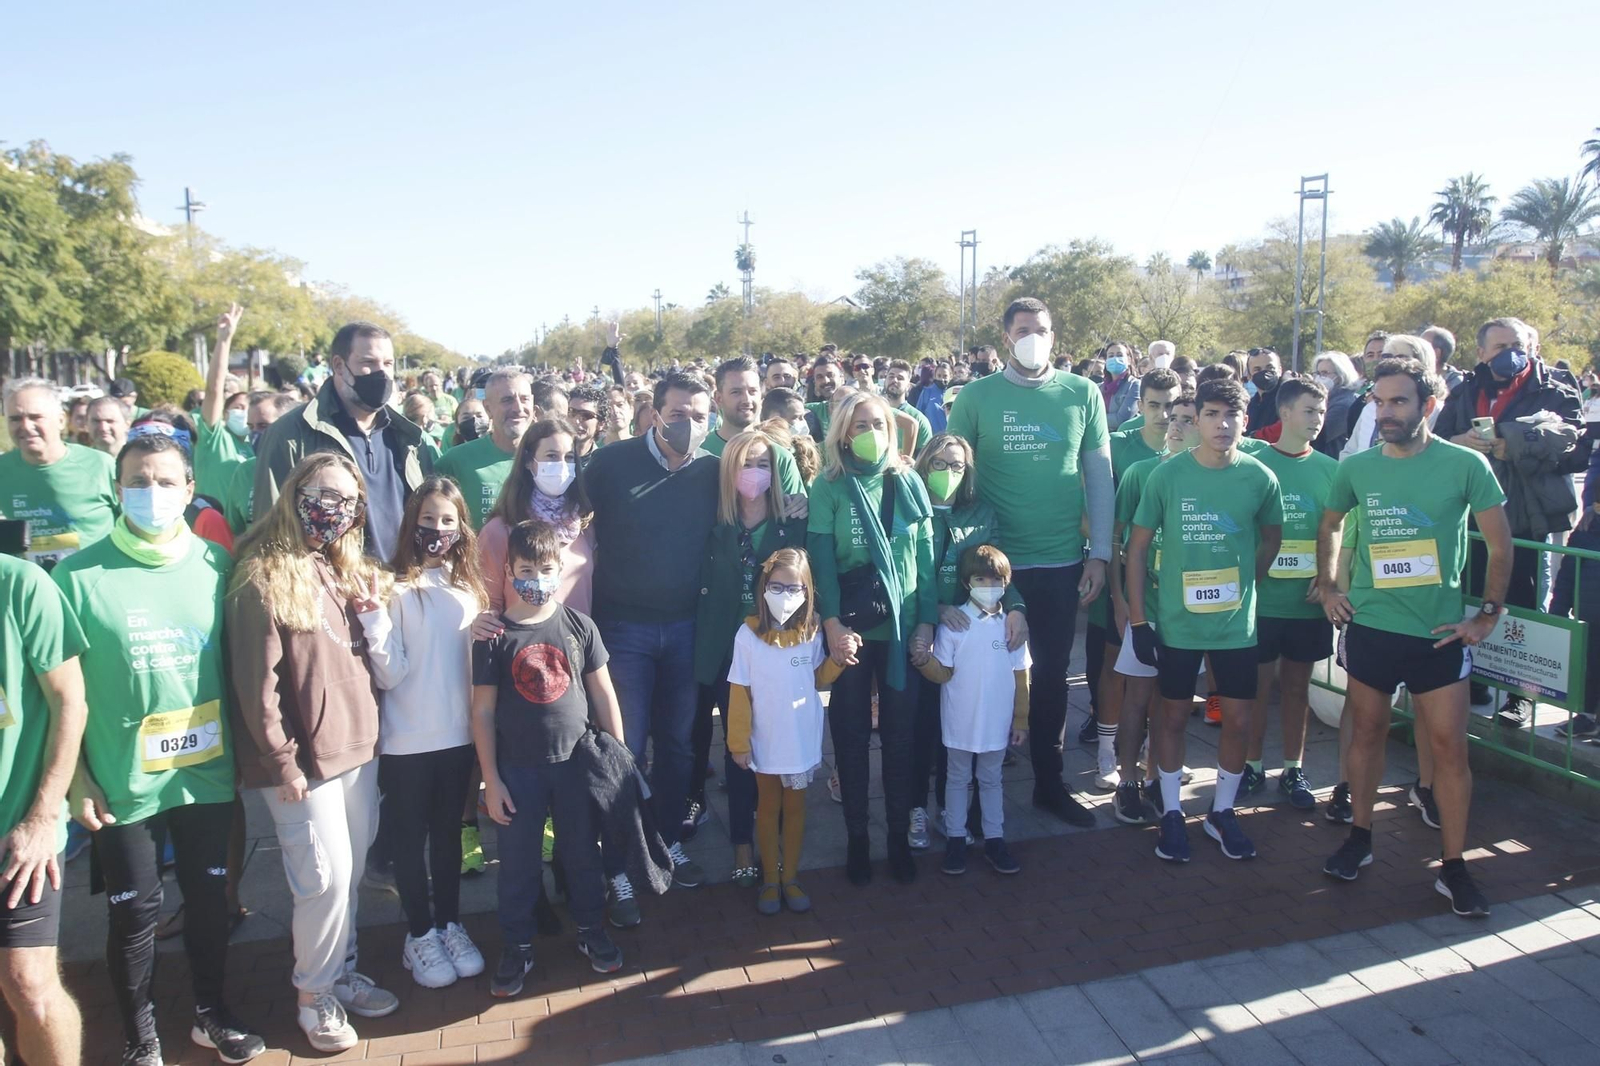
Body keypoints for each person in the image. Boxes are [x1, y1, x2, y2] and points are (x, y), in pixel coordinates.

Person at [56, 434, 265, 1065]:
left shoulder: (216, 565)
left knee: (209, 901)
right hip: (123, 781)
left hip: (204, 773)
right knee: (135, 915)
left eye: (166, 481)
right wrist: (76, 779)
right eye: (138, 482)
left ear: (189, 489)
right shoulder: (77, 574)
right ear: (117, 489)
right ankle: (139, 1035)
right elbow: (56, 693)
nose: (152, 494)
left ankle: (211, 1013)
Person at [1316, 358, 1510, 918]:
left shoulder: (1466, 465)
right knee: (1368, 734)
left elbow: (1500, 545)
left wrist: (1486, 616)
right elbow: (1329, 525)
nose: (1385, 413)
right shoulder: (1358, 468)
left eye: (1398, 402)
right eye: (1378, 402)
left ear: (1428, 405)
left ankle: (1454, 866)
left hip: (1439, 636)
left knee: (1449, 749)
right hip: (1373, 628)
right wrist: (1329, 587)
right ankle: (1360, 835)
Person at [227, 453, 399, 1052]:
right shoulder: (261, 573)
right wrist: (280, 760)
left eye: (349, 501)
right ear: (295, 494)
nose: (337, 511)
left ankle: (341, 971)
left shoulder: (338, 567)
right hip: (305, 764)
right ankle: (313, 995)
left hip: (357, 747)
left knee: (348, 877)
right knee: (321, 882)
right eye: (325, 496)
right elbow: (258, 684)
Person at [946, 297, 1111, 827]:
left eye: (1040, 329)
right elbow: (953, 482)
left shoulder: (1082, 394)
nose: (1032, 338)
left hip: (1061, 560)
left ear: (1054, 336)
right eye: (1022, 330)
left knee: (1052, 675)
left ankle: (1048, 781)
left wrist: (1101, 554)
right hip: (989, 567)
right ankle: (968, 789)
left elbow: (1099, 478)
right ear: (1005, 338)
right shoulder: (975, 397)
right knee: (980, 674)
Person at [1125, 377, 1283, 864]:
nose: (1222, 424)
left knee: (1237, 719)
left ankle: (1222, 812)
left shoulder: (1260, 477)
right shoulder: (1167, 477)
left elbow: (1271, 539)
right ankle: (1171, 812)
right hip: (1176, 624)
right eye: (1210, 415)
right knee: (1170, 716)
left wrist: (1246, 587)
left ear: (1246, 422)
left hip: (1236, 627)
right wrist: (1137, 622)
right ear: (1197, 422)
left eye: (1231, 415)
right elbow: (1135, 550)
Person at [580, 372, 718, 913]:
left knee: (680, 745)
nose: (688, 425)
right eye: (678, 413)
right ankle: (617, 864)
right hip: (624, 630)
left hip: (687, 625)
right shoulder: (612, 464)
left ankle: (666, 844)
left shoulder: (714, 469)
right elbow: (569, 520)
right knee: (624, 748)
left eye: (699, 416)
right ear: (655, 413)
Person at [473, 521, 626, 993]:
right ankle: (517, 946)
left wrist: (617, 759)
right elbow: (482, 710)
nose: (535, 578)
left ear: (560, 569)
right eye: (525, 569)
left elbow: (603, 694)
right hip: (518, 771)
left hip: (576, 767)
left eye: (544, 569)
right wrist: (491, 780)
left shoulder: (580, 626)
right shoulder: (494, 636)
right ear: (508, 571)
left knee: (581, 854)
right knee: (518, 864)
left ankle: (590, 930)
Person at [356, 478, 487, 989]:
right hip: (406, 742)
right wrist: (372, 621)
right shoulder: (393, 588)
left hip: (458, 737)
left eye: (447, 521)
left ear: (460, 528)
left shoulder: (469, 589)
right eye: (428, 520)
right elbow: (389, 673)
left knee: (448, 837)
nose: (437, 530)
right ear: (413, 523)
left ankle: (450, 923)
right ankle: (419, 934)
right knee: (409, 842)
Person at [808, 390, 936, 885]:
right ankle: (859, 837)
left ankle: (899, 838)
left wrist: (925, 621)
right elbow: (822, 561)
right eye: (859, 426)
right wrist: (833, 624)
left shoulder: (907, 483)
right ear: (842, 433)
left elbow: (923, 559)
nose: (870, 434)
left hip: (902, 629)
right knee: (851, 735)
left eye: (878, 424)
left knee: (902, 737)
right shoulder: (830, 486)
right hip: (851, 633)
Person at [1434, 318, 1581, 727]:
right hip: (1471, 513)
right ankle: (1477, 675)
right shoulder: (1467, 390)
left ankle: (1523, 695)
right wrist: (1461, 442)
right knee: (1472, 593)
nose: (1509, 354)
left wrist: (1511, 441)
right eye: (1499, 347)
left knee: (1524, 603)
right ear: (1481, 353)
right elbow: (1439, 437)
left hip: (1526, 515)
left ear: (1533, 348)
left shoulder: (1555, 388)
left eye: (1517, 344)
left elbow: (1573, 440)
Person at [692, 430, 807, 885]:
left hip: (777, 654)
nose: (752, 473)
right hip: (726, 653)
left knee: (777, 749)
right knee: (740, 750)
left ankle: (778, 843)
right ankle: (743, 844)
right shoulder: (711, 522)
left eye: (762, 463)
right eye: (743, 463)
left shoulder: (793, 521)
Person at [908, 433, 1027, 850]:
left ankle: (953, 814)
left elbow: (999, 568)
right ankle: (916, 809)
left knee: (955, 731)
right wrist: (935, 610)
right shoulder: (908, 505)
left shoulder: (979, 513)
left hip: (967, 634)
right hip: (922, 630)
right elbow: (908, 575)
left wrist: (1016, 607)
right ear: (924, 464)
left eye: (957, 465)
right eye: (939, 463)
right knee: (919, 727)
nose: (948, 472)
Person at [0, 554, 89, 1066]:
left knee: (29, 984)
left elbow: (69, 702)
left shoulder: (21, 585)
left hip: (19, 833)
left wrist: (42, 816)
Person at [252, 321, 439, 563]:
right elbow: (269, 530)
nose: (381, 373)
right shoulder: (291, 434)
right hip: (334, 590)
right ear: (339, 366)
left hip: (402, 586)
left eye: (388, 364)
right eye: (368, 363)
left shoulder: (410, 438)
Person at [726, 548, 844, 914]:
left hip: (800, 739)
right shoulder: (746, 636)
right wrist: (738, 742)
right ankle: (770, 881)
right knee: (766, 807)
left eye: (795, 589)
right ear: (763, 588)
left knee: (795, 808)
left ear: (807, 591)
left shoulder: (811, 632)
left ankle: (790, 876)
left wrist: (839, 660)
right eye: (777, 587)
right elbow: (739, 691)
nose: (785, 596)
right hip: (766, 740)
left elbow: (818, 678)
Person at [1107, 393, 1200, 825]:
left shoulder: (1209, 477)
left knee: (1173, 701)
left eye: (1187, 419)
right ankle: (1126, 781)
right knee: (1136, 697)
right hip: (1146, 609)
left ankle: (1157, 777)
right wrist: (1121, 599)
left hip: (1190, 615)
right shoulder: (1141, 472)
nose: (1175, 426)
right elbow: (1116, 541)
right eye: (1173, 417)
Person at [1245, 379, 1338, 810]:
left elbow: (1336, 530)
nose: (1317, 419)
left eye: (1321, 412)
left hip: (1307, 604)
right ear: (1283, 414)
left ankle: (1293, 768)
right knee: (1258, 688)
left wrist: (1328, 577)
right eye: (1308, 411)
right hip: (1261, 603)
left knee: (1298, 689)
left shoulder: (1330, 469)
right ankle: (1251, 765)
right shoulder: (1253, 461)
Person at [1088, 368, 1183, 786]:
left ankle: (1151, 754)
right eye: (1155, 405)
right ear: (1139, 405)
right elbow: (1097, 517)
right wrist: (1117, 591)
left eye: (1172, 405)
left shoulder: (1193, 446)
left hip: (1173, 584)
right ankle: (1106, 751)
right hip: (1121, 572)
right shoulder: (1119, 447)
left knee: (1164, 678)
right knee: (1114, 666)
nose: (1164, 415)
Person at [917, 545, 1030, 876]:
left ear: (1007, 583)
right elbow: (944, 672)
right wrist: (925, 663)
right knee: (957, 778)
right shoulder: (954, 624)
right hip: (960, 720)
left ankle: (995, 839)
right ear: (966, 583)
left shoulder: (1012, 627)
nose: (988, 585)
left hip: (996, 722)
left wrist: (1021, 720)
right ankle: (955, 838)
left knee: (992, 779)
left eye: (996, 579)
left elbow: (1021, 675)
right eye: (980, 578)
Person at [480, 418, 595, 622]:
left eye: (568, 457)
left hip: (576, 645)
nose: (561, 466)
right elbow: (488, 603)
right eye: (551, 456)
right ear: (528, 461)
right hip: (525, 648)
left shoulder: (584, 525)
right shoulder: (500, 531)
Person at [1, 378, 119, 570]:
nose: (25, 426)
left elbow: (134, 526)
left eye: (35, 417)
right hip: (34, 591)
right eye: (15, 419)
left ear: (61, 420)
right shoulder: (3, 469)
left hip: (93, 587)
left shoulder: (100, 465)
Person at [434, 368, 534, 530]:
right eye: (507, 400)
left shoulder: (549, 457)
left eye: (525, 399)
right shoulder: (456, 460)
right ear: (488, 408)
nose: (518, 408)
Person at [194, 303, 253, 501]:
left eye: (249, 409)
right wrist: (224, 341)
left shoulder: (256, 445)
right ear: (225, 412)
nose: (244, 412)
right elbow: (214, 390)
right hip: (209, 527)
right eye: (239, 407)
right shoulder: (213, 436)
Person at [222, 393, 300, 534]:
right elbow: (231, 532)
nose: (255, 434)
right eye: (251, 427)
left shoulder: (308, 471)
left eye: (263, 426)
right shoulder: (245, 472)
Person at [1311, 352, 1362, 457]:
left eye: (1325, 373)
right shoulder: (1328, 398)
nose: (1319, 377)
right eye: (1317, 373)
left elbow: (1318, 435)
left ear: (1340, 376)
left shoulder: (1344, 404)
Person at [1244, 347, 1284, 438]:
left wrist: (1256, 436)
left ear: (1280, 371)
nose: (1264, 373)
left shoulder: (1290, 398)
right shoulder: (1250, 404)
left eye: (1270, 368)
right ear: (1249, 376)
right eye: (1257, 369)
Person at [1100, 341, 1140, 429]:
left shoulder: (1135, 385)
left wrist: (1094, 418)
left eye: (1119, 355)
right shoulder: (1099, 387)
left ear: (1129, 360)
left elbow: (1122, 419)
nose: (1115, 358)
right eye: (1110, 356)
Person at [566, 384, 607, 463]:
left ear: (601, 424)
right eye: (571, 412)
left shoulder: (604, 463)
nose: (576, 421)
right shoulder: (549, 458)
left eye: (586, 415)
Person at [1423, 326, 1463, 394]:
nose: (1416, 351)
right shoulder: (1416, 379)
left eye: (1422, 347)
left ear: (1436, 353)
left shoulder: (1457, 385)